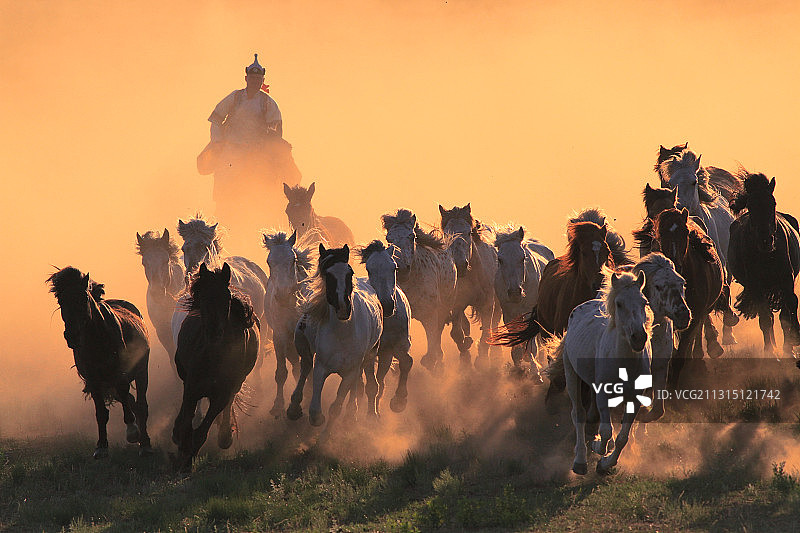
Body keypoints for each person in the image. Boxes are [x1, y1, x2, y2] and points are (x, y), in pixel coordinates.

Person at [198, 54, 301, 247]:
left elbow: (275, 131)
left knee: (265, 187)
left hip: (257, 156)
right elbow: (216, 119)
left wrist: (263, 146)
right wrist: (218, 142)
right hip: (232, 152)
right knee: (225, 187)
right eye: (252, 78)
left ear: (262, 81)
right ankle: (221, 222)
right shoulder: (235, 98)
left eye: (258, 79)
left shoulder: (268, 103)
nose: (255, 81)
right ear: (246, 78)